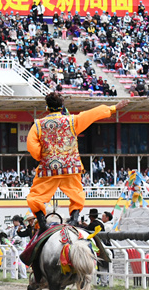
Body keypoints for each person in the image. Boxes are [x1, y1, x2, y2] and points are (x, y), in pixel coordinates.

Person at [26, 92, 129, 230]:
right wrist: (113, 108)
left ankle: (42, 223)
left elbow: (31, 146)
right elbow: (92, 114)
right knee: (76, 194)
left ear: (47, 108)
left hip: (48, 169)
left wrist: (42, 156)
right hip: (70, 167)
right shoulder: (72, 121)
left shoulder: (38, 125)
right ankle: (74, 220)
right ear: (62, 107)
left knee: (35, 196)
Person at [5, 215, 29, 280]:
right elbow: (7, 233)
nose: (13, 222)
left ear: (17, 221)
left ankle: (24, 276)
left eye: (14, 221)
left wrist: (12, 240)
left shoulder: (22, 228)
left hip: (20, 248)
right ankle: (13, 276)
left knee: (20, 262)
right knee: (13, 262)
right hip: (13, 247)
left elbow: (19, 238)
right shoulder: (12, 229)